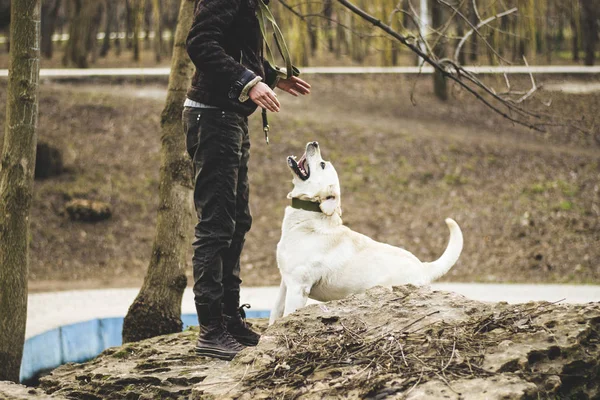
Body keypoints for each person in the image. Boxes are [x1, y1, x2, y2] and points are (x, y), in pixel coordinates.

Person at [183, 0, 311, 360]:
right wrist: (248, 83)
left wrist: (270, 76)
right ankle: (211, 330)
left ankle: (228, 318)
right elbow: (201, 43)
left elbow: (235, 48)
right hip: (211, 118)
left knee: (237, 222)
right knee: (216, 225)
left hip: (230, 119)